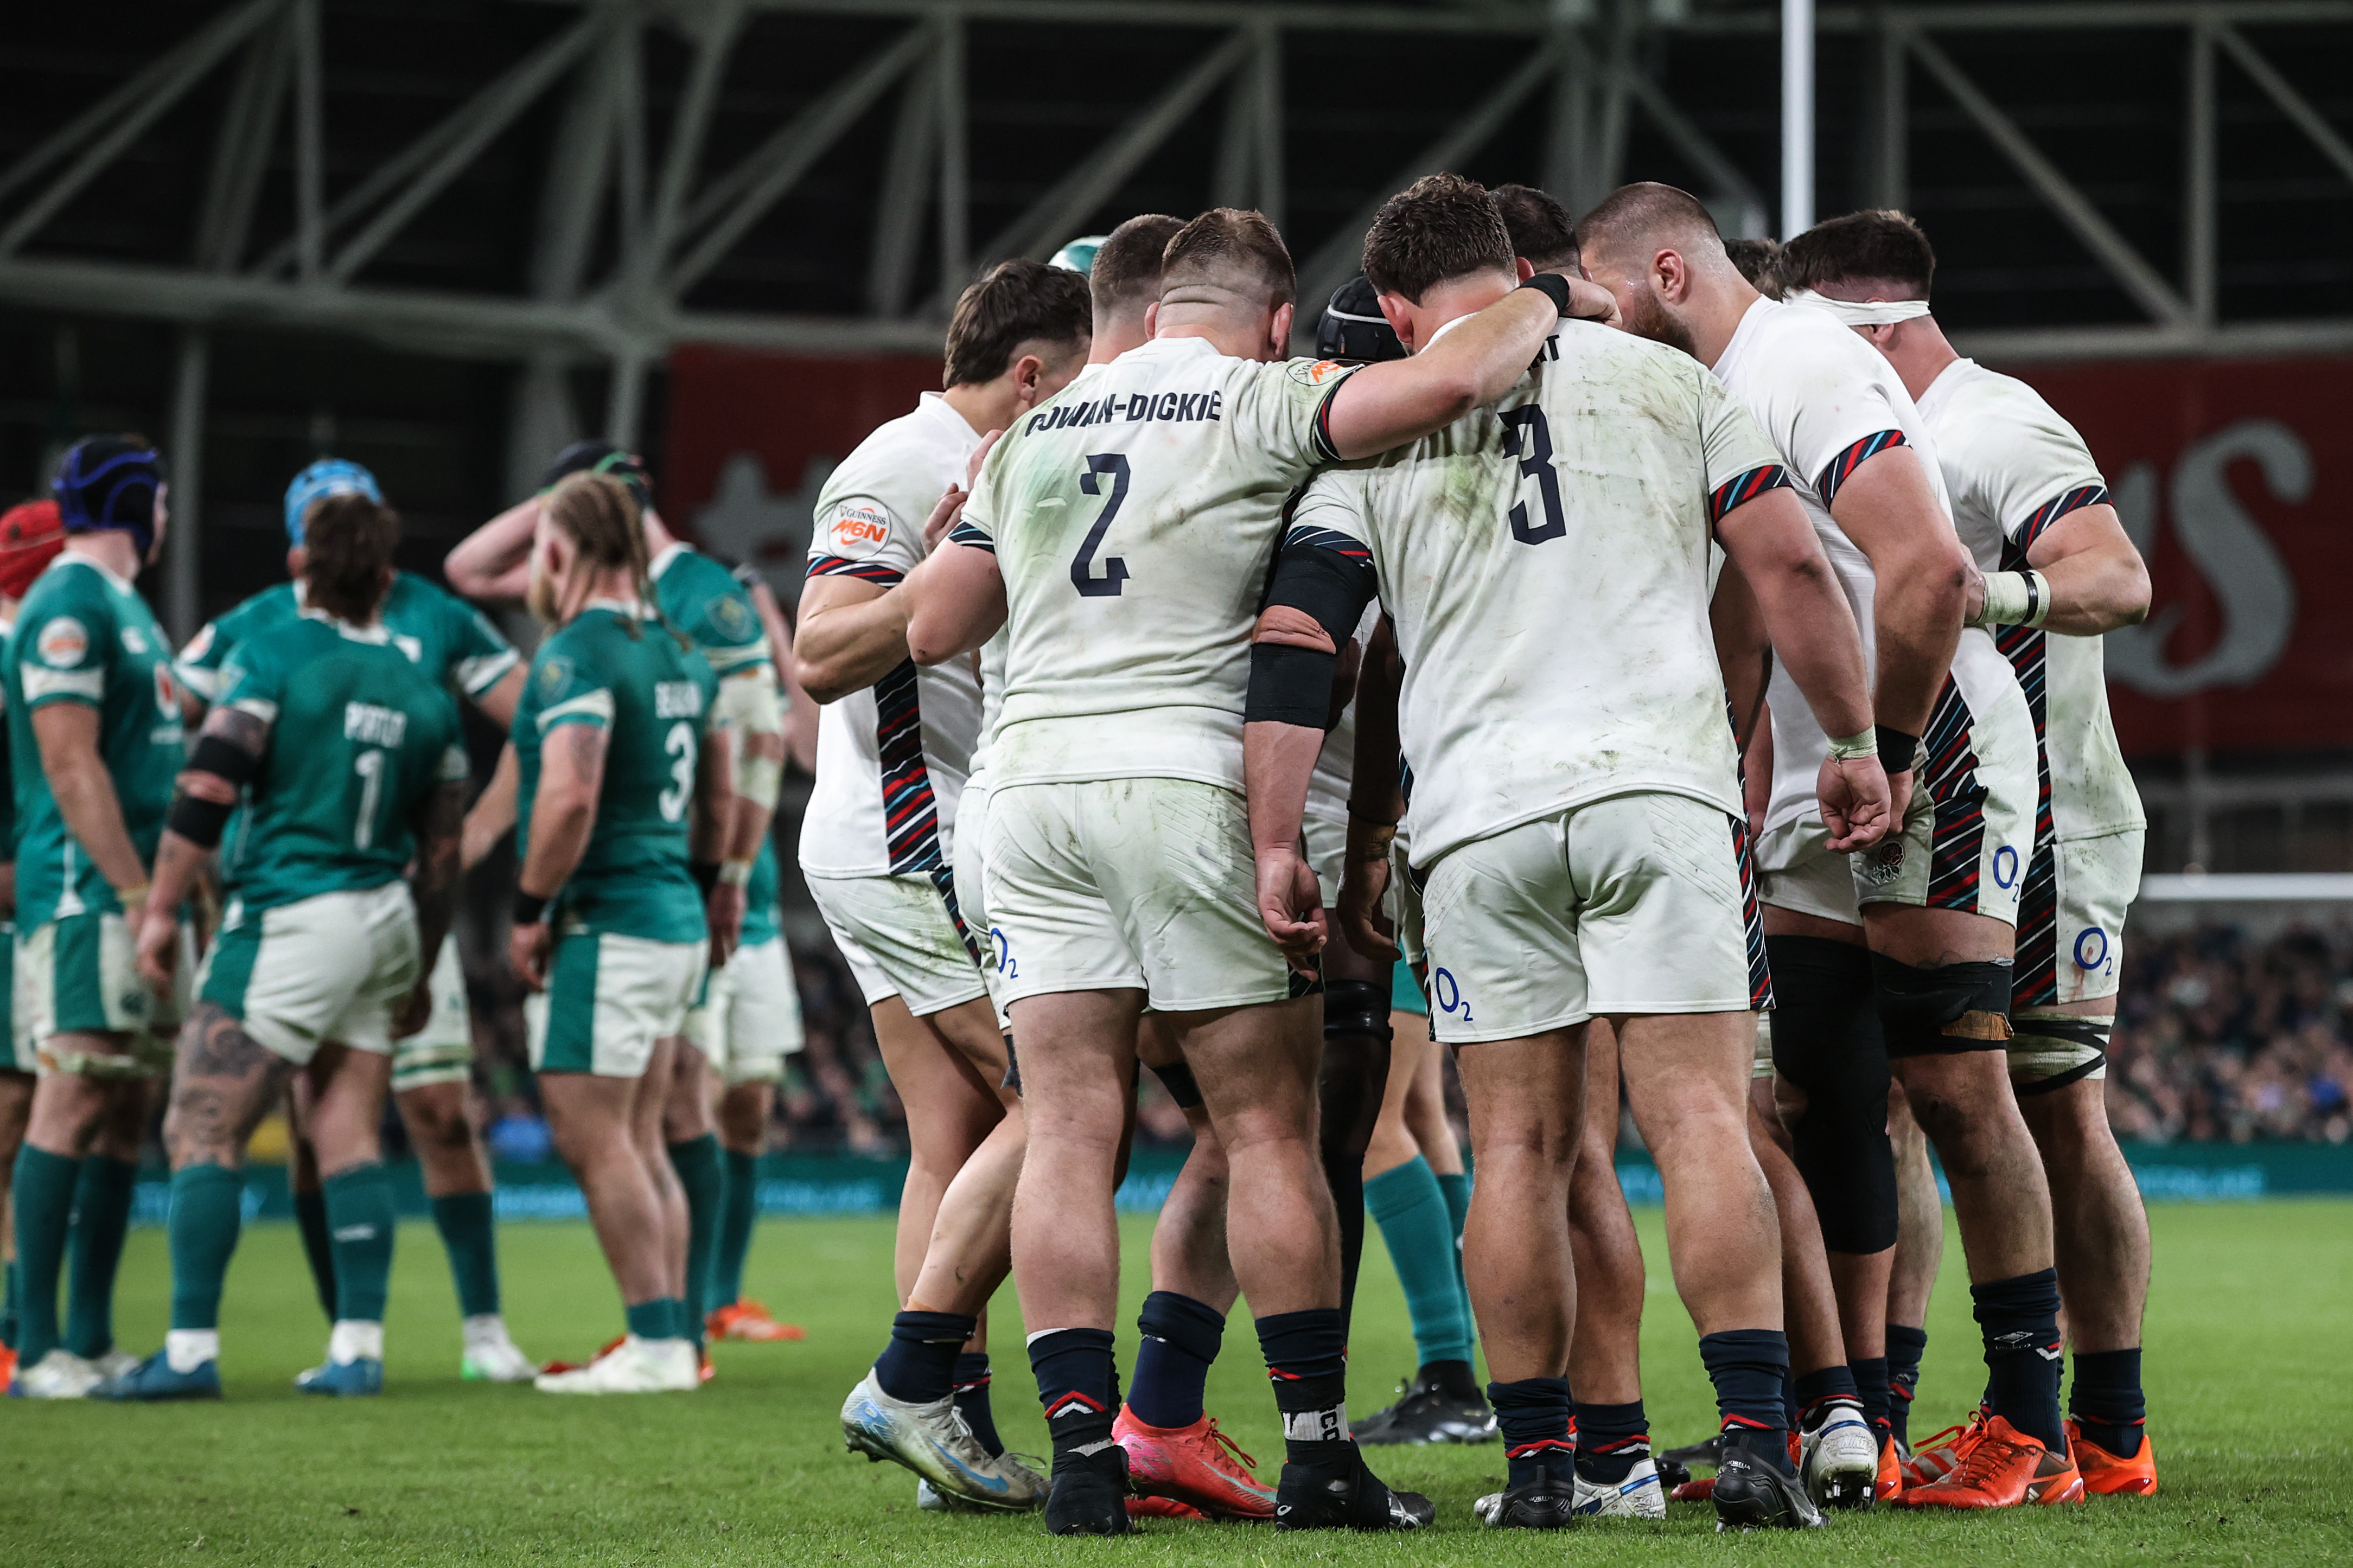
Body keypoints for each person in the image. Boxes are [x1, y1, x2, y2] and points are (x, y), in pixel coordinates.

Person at [901, 203, 1617, 1535]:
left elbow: (935, 622)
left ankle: (1081, 1462)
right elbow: (1459, 374)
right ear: (1277, 321)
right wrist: (1549, 302)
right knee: (1267, 1128)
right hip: (1181, 784)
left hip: (1025, 792)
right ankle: (1314, 1453)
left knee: (1066, 1127)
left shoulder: (1031, 431)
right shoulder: (1266, 398)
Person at [1258, 174, 1884, 1531]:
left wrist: (1290, 837)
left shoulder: (1373, 427)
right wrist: (1851, 737)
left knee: (1525, 1150)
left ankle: (1545, 1469)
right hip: (1659, 787)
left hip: (1479, 818)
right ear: (1522, 265)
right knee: (1706, 1121)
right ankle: (1758, 1444)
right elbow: (1789, 568)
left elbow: (1309, 645)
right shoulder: (1667, 384)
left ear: (1404, 305)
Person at [1579, 181, 2082, 1510]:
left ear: (1671, 275)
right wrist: (1744, 786)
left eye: (1609, 293)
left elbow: (1926, 572)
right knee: (1814, 1098)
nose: (1599, 323)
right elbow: (1752, 604)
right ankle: (1850, 1419)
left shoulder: (1804, 361)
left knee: (1962, 1092)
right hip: (1820, 778)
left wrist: (1894, 750)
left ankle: (2033, 1423)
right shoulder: (1714, 390)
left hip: (1926, 752)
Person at [1781, 208, 2158, 1497]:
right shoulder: (1868, 429)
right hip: (1931, 808)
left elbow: (2118, 575)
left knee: (2051, 1101)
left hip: (2048, 808)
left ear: (1860, 320)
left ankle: (2099, 1426)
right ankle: (1886, 1408)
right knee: (1897, 1098)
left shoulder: (1994, 421)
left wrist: (1972, 592)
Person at [796, 257, 1092, 1512]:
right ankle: (918, 1389)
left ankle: (946, 1440)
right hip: (909, 838)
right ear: (1028, 373)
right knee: (1066, 1095)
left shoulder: (981, 461)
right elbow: (818, 651)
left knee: (953, 1139)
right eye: (1076, 382)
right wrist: (947, 570)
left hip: (910, 834)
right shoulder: (902, 465)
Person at [90, 494, 467, 1399]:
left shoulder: (269, 656)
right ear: (386, 579)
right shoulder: (425, 695)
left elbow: (207, 789)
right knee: (347, 1132)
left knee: (201, 1124)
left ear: (301, 567)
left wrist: (160, 908)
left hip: (293, 913)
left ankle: (185, 1354)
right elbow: (444, 854)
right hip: (387, 921)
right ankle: (357, 1348)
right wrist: (421, 962)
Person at [173, 458, 536, 1384]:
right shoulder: (265, 628)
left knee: (429, 1113)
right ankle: (351, 1336)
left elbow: (540, 722)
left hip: (332, 907)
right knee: (329, 1127)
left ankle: (472, 1328)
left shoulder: (404, 622)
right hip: (383, 912)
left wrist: (169, 886)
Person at [508, 472, 728, 1395]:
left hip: (609, 922)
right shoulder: (679, 649)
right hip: (671, 910)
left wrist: (528, 910)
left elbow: (568, 793)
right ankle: (668, 1339)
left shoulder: (577, 655)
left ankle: (650, 1343)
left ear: (559, 550)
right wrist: (706, 885)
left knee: (598, 1137)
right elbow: (719, 792)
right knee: (639, 1137)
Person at [4, 437, 187, 1399]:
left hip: (141, 897)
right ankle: (36, 1353)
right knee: (70, 1095)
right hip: (87, 894)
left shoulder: (124, 608)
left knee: (125, 1110)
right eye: (158, 501)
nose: (166, 519)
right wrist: (129, 892)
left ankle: (91, 1334)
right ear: (137, 504)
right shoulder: (68, 603)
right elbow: (73, 767)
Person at [0, 498, 68, 1392]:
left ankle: (40, 1321)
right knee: (22, 1114)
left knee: (40, 1112)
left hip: (45, 907)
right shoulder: (29, 654)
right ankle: (24, 1323)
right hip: (26, 909)